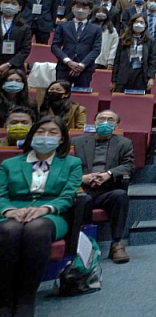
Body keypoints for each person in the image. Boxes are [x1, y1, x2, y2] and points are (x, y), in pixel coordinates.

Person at [0, 116, 81, 316]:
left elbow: (67, 196)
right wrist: (10, 211)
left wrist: (45, 209)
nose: (46, 136)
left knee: (36, 229)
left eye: (53, 133)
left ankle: (26, 299)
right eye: (41, 132)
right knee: (10, 229)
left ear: (62, 139)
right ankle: (4, 298)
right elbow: (0, 195)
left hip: (52, 214)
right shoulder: (9, 164)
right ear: (32, 136)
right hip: (11, 211)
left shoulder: (72, 163)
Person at [73, 110, 134, 263]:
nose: (105, 122)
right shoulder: (77, 142)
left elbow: (128, 165)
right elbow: (65, 166)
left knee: (120, 195)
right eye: (102, 119)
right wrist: (82, 178)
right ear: (94, 122)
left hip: (107, 189)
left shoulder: (124, 143)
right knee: (83, 199)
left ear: (116, 125)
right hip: (83, 188)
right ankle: (81, 243)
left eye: (110, 120)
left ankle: (117, 243)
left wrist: (108, 174)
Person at [111, 14, 156, 93]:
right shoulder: (123, 40)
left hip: (141, 74)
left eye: (141, 22)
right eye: (136, 22)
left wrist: (151, 77)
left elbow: (152, 61)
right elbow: (117, 61)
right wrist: (113, 80)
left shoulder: (149, 41)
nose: (139, 24)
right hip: (125, 74)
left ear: (145, 25)